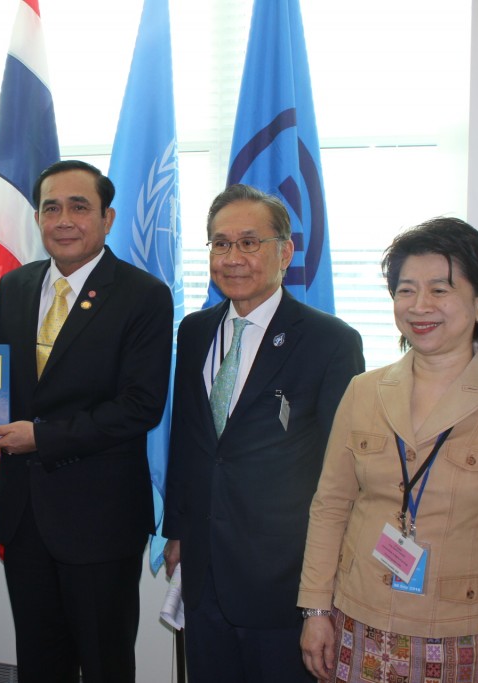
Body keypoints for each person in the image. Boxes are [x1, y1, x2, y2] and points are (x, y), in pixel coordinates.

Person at [298, 217, 478, 683]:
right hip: (356, 621)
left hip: (458, 637)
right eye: (405, 290)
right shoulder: (364, 391)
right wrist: (316, 607)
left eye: (440, 290)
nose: (420, 306)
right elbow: (330, 506)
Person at [0, 160, 173, 682]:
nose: (63, 219)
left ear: (107, 218)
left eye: (79, 207)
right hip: (24, 514)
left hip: (99, 520)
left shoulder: (143, 295)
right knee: (39, 660)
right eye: (51, 207)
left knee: (104, 663)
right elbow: (3, 385)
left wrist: (40, 437)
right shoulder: (14, 286)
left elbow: (140, 405)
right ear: (37, 217)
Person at [163, 184, 364, 682]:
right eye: (220, 243)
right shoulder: (193, 330)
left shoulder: (330, 341)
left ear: (286, 251)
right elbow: (190, 439)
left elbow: (341, 468)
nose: (232, 257)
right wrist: (177, 529)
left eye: (249, 243)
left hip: (283, 575)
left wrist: (326, 577)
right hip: (204, 566)